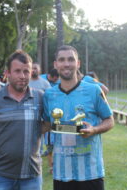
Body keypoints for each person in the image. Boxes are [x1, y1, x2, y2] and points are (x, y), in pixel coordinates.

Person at [43, 45, 114, 190]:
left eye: (71, 59)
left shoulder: (94, 90)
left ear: (78, 63)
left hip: (91, 172)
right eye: (62, 60)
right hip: (62, 173)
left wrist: (94, 129)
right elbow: (46, 124)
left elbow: (109, 120)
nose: (66, 63)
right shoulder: (49, 95)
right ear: (56, 64)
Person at [0, 50, 46, 190]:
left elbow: (49, 126)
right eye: (17, 71)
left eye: (26, 71)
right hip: (0, 175)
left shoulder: (41, 98)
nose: (22, 76)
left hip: (32, 176)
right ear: (7, 73)